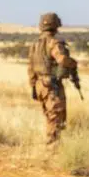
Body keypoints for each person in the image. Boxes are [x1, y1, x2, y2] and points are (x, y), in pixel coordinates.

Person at [26, 12, 77, 143]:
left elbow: (30, 67)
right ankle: (52, 148)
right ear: (55, 25)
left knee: (49, 116)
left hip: (39, 85)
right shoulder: (53, 43)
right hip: (51, 86)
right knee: (56, 117)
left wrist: (33, 86)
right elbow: (62, 59)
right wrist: (73, 63)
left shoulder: (35, 45)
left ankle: (51, 145)